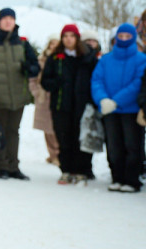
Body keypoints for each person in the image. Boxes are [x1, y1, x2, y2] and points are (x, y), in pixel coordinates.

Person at [0, 7, 39, 180]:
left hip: (18, 96)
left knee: (14, 131)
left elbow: (35, 68)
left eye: (11, 18)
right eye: (5, 18)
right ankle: (1, 166)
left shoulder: (23, 44)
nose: (8, 21)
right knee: (0, 132)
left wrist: (29, 68)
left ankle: (14, 167)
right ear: (0, 21)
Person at [91, 23, 146, 192]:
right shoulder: (106, 59)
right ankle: (117, 177)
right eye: (120, 37)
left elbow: (138, 83)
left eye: (127, 37)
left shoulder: (141, 59)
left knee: (132, 145)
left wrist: (116, 101)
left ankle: (131, 180)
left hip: (131, 110)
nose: (123, 39)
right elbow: (96, 81)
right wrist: (103, 100)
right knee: (113, 146)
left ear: (133, 38)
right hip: (109, 110)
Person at [40, 24, 97, 185]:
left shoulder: (87, 57)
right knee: (63, 138)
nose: (68, 39)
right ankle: (66, 170)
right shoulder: (55, 58)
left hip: (82, 105)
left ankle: (81, 170)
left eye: (72, 36)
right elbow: (45, 81)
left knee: (80, 138)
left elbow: (95, 80)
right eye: (65, 36)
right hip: (61, 106)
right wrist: (56, 83)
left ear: (77, 38)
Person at [29, 36, 61, 167]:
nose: (53, 46)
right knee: (46, 129)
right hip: (43, 98)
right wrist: (36, 93)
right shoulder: (41, 60)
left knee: (56, 128)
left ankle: (58, 154)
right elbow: (33, 79)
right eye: (51, 44)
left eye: (56, 44)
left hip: (56, 97)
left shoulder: (61, 60)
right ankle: (52, 154)